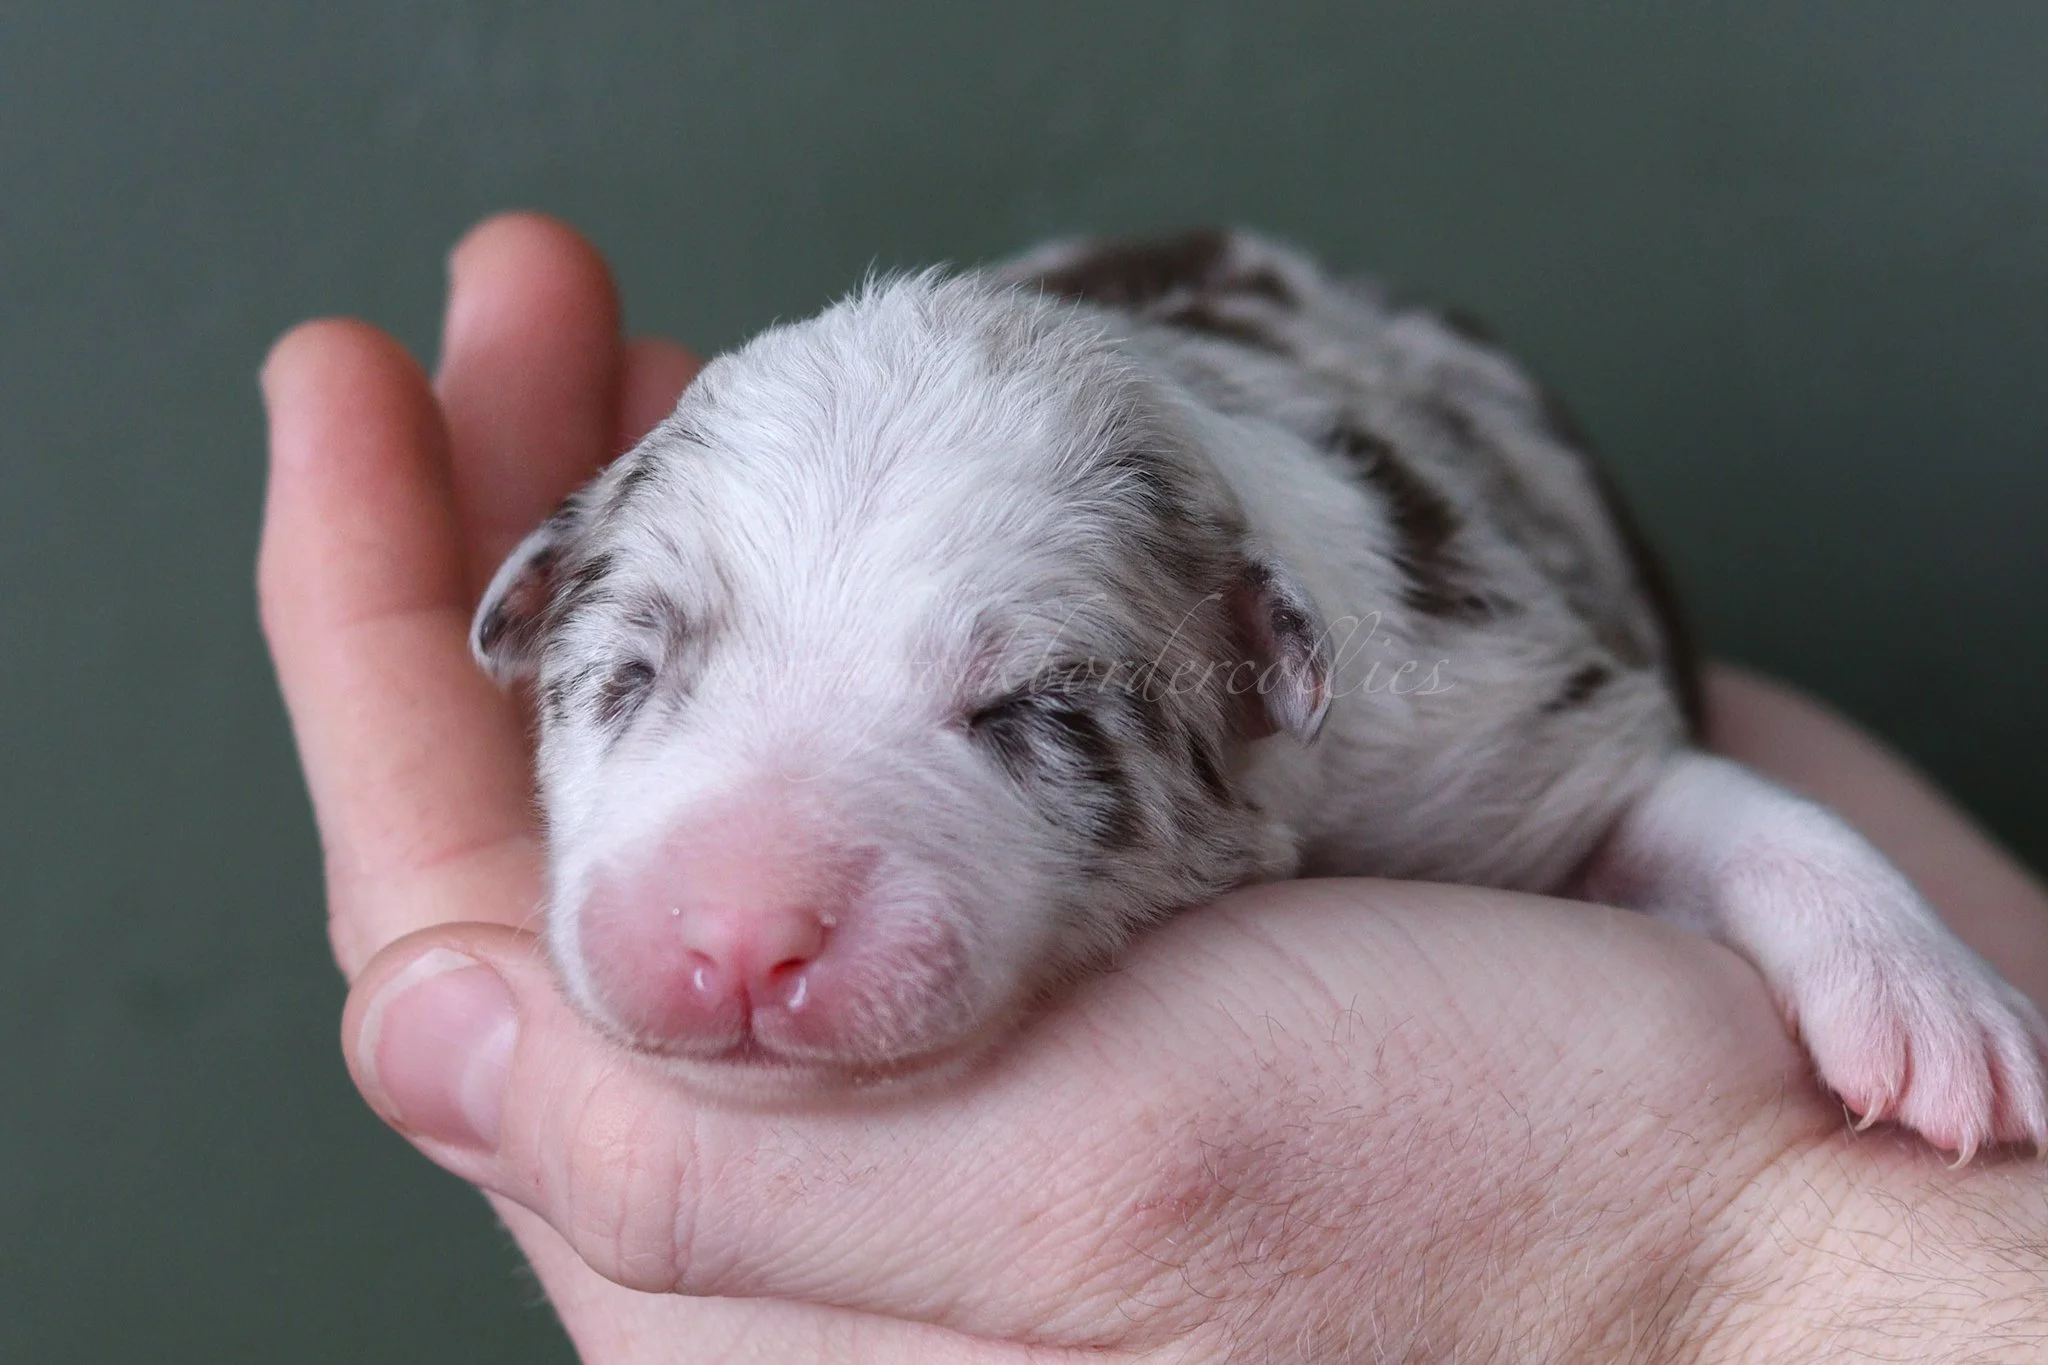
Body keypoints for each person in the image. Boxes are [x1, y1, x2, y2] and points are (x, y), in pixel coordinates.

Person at [259, 212, 2048, 1363]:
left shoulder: (1428, 677)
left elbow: (1636, 797)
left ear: (1263, 670)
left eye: (1012, 706)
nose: (736, 916)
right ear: (540, 609)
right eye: (634, 677)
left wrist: (1748, 1189)